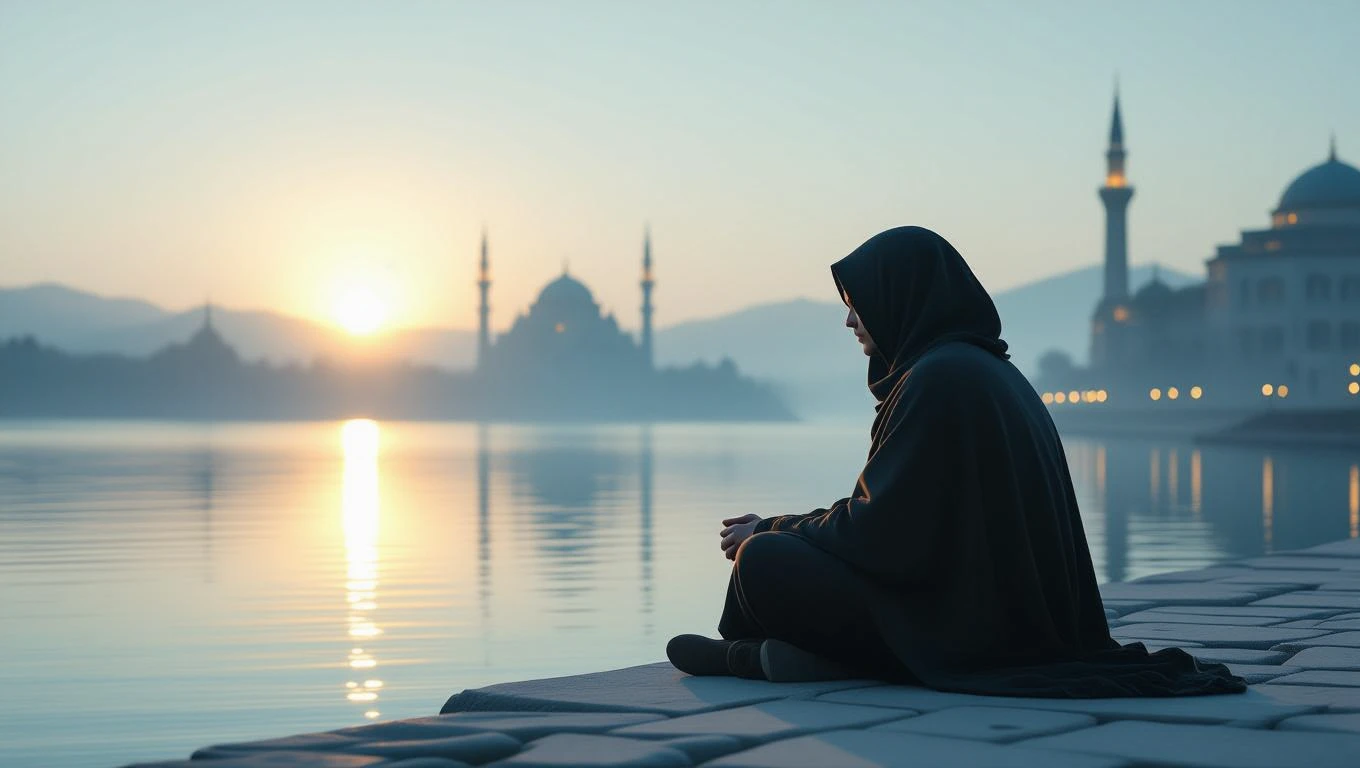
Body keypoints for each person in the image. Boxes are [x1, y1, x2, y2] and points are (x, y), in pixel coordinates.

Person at [665, 226, 1245, 698]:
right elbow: (895, 518)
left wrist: (771, 529)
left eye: (857, 305)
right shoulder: (981, 371)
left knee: (767, 559)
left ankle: (748, 657)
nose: (850, 322)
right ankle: (786, 657)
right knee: (776, 548)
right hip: (992, 610)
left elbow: (879, 531)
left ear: (900, 299)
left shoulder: (938, 380)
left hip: (967, 629)